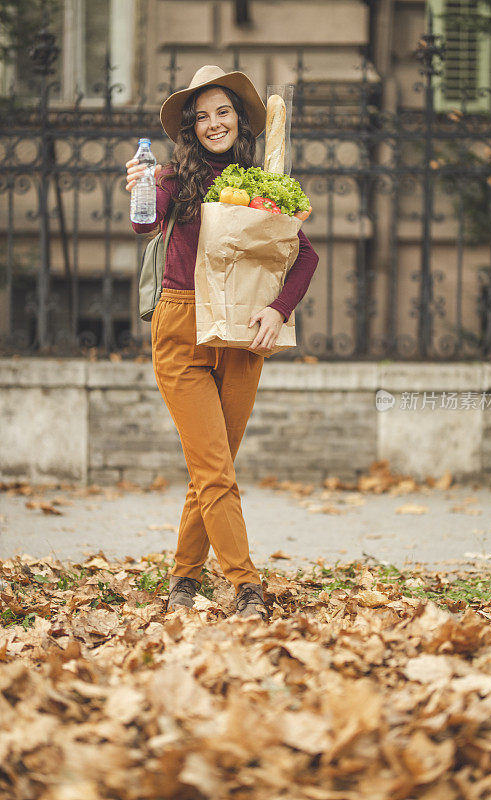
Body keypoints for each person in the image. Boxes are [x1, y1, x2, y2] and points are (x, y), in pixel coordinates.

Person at [126, 65, 319, 620]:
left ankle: (184, 579)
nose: (214, 123)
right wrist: (139, 188)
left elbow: (304, 256)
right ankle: (246, 586)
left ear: (240, 120)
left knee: (214, 465)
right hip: (181, 325)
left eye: (223, 112)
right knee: (213, 468)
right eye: (202, 115)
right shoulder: (168, 178)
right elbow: (146, 225)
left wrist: (277, 311)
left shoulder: (261, 187)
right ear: (191, 126)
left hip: (239, 332)